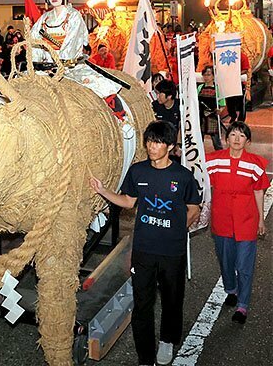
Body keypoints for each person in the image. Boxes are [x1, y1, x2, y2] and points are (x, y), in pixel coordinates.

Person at [90, 120, 201, 366]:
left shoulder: (182, 177)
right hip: (143, 249)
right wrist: (103, 190)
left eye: (159, 141)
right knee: (142, 303)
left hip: (172, 251)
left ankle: (167, 341)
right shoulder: (138, 171)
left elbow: (194, 208)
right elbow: (129, 201)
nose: (152, 146)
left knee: (172, 299)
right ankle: (145, 356)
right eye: (150, 141)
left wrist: (176, 230)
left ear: (171, 146)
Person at [206, 121, 269, 324]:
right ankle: (231, 289)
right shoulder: (214, 160)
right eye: (233, 134)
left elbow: (259, 191)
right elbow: (198, 174)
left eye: (242, 136)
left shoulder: (255, 163)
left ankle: (242, 305)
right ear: (226, 139)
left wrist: (260, 220)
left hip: (246, 219)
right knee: (226, 261)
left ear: (247, 141)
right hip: (222, 216)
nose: (236, 139)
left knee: (244, 265)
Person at [197, 66, 224, 150]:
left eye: (208, 74)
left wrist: (220, 111)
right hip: (201, 116)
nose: (206, 77)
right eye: (204, 75)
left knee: (216, 141)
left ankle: (220, 156)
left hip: (213, 117)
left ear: (213, 76)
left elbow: (222, 103)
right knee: (199, 140)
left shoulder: (218, 88)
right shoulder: (200, 87)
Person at [151, 79, 181, 155]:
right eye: (156, 94)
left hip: (175, 145)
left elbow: (182, 127)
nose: (157, 97)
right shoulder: (154, 106)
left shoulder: (180, 106)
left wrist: (178, 145)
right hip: (159, 144)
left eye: (159, 94)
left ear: (169, 96)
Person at [225, 50, 251, 123]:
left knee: (241, 103)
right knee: (229, 101)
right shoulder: (226, 56)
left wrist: (235, 74)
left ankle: (241, 120)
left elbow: (245, 69)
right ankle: (233, 115)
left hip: (240, 82)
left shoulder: (243, 56)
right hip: (229, 82)